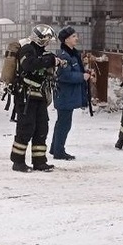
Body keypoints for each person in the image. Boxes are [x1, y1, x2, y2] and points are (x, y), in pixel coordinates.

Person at [10, 24, 61, 173]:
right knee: (25, 129)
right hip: (25, 96)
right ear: (39, 38)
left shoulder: (42, 52)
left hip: (39, 96)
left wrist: (53, 62)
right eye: (46, 40)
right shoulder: (27, 49)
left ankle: (40, 161)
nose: (47, 43)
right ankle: (18, 162)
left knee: (41, 128)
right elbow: (28, 65)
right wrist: (50, 61)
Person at [50, 26, 90, 160]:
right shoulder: (64, 56)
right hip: (64, 95)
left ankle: (55, 148)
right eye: (73, 36)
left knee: (62, 122)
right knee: (64, 123)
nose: (76, 38)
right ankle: (59, 151)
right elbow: (63, 76)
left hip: (68, 95)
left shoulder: (73, 54)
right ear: (66, 40)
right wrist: (81, 77)